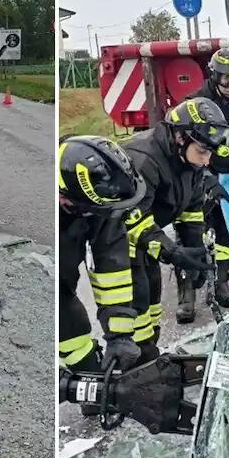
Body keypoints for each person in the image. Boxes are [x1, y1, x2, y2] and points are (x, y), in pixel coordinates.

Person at [122, 97, 229, 362]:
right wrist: (172, 251)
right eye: (203, 151)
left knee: (151, 307)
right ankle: (130, 368)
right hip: (119, 243)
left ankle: (148, 359)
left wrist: (193, 246)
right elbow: (132, 219)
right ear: (181, 137)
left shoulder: (188, 161)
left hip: (145, 242)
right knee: (133, 309)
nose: (206, 161)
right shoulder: (144, 159)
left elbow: (191, 206)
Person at [174, 47, 229, 321]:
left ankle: (221, 285)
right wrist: (207, 180)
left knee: (225, 235)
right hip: (194, 179)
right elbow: (186, 149)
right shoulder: (196, 104)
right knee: (190, 236)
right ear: (214, 75)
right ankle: (187, 296)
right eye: (226, 79)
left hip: (226, 179)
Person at [58, 135, 147, 374]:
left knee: (75, 332)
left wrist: (120, 335)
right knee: (71, 331)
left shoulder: (100, 203)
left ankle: (91, 384)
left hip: (62, 283)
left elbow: (112, 268)